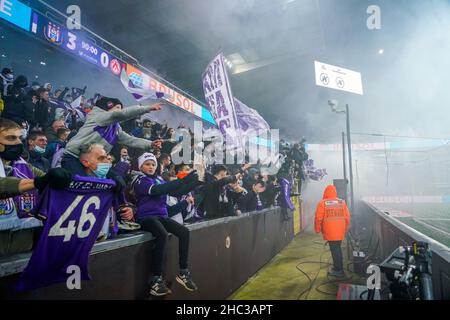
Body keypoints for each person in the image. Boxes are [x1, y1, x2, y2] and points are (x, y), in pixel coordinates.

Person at [132, 152, 199, 296]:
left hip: (161, 216)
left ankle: (183, 272)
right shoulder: (139, 179)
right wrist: (184, 179)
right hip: (146, 217)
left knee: (184, 232)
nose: (150, 167)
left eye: (153, 164)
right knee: (162, 234)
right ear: (141, 166)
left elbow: (176, 191)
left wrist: (195, 182)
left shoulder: (158, 179)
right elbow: (158, 191)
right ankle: (156, 279)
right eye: (147, 164)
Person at [62, 96, 164, 176]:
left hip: (93, 163)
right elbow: (118, 115)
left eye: (121, 109)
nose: (120, 111)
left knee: (117, 181)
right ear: (108, 108)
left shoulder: (116, 128)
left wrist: (150, 144)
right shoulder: (98, 116)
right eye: (118, 108)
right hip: (74, 157)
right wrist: (147, 108)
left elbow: (130, 140)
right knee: (76, 182)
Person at [314, 185, 351, 278]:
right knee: (337, 249)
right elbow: (347, 218)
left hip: (330, 231)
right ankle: (337, 268)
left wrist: (317, 229)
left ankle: (339, 271)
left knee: (335, 250)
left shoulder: (322, 203)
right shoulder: (341, 202)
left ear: (325, 192)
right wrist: (345, 229)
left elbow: (318, 218)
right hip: (340, 231)